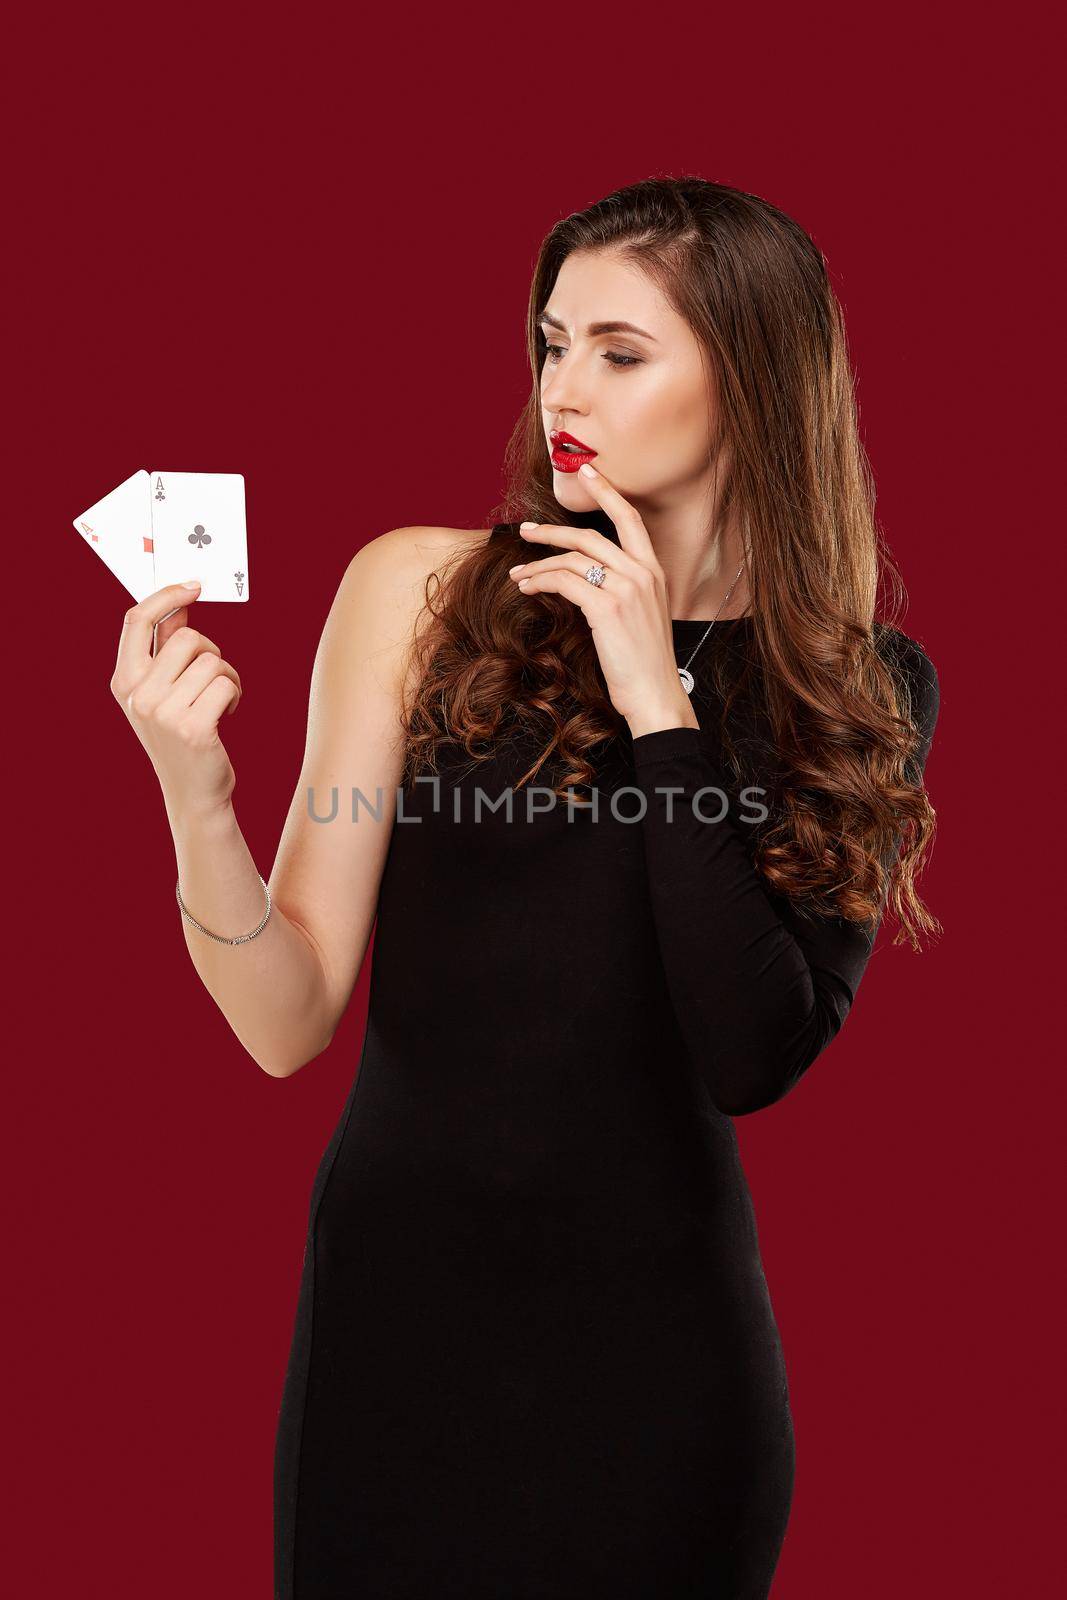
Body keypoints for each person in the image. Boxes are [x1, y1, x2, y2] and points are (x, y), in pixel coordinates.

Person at [110, 176, 941, 1599]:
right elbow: (286, 1014)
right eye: (555, 343)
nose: (569, 386)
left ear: (747, 380)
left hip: (662, 1378)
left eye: (622, 352)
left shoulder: (856, 686)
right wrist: (196, 795)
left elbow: (753, 1052)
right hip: (394, 1337)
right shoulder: (422, 591)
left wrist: (655, 701)